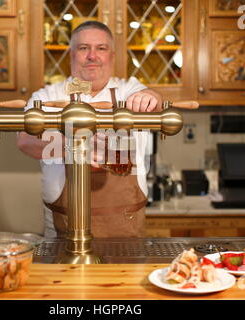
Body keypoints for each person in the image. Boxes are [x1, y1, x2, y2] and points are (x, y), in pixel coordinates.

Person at [16, 21, 163, 238]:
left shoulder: (128, 89)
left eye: (101, 48)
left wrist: (149, 97)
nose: (92, 55)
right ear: (71, 55)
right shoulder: (47, 96)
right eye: (83, 48)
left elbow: (155, 101)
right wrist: (75, 149)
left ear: (111, 56)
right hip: (63, 233)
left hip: (127, 233)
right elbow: (24, 141)